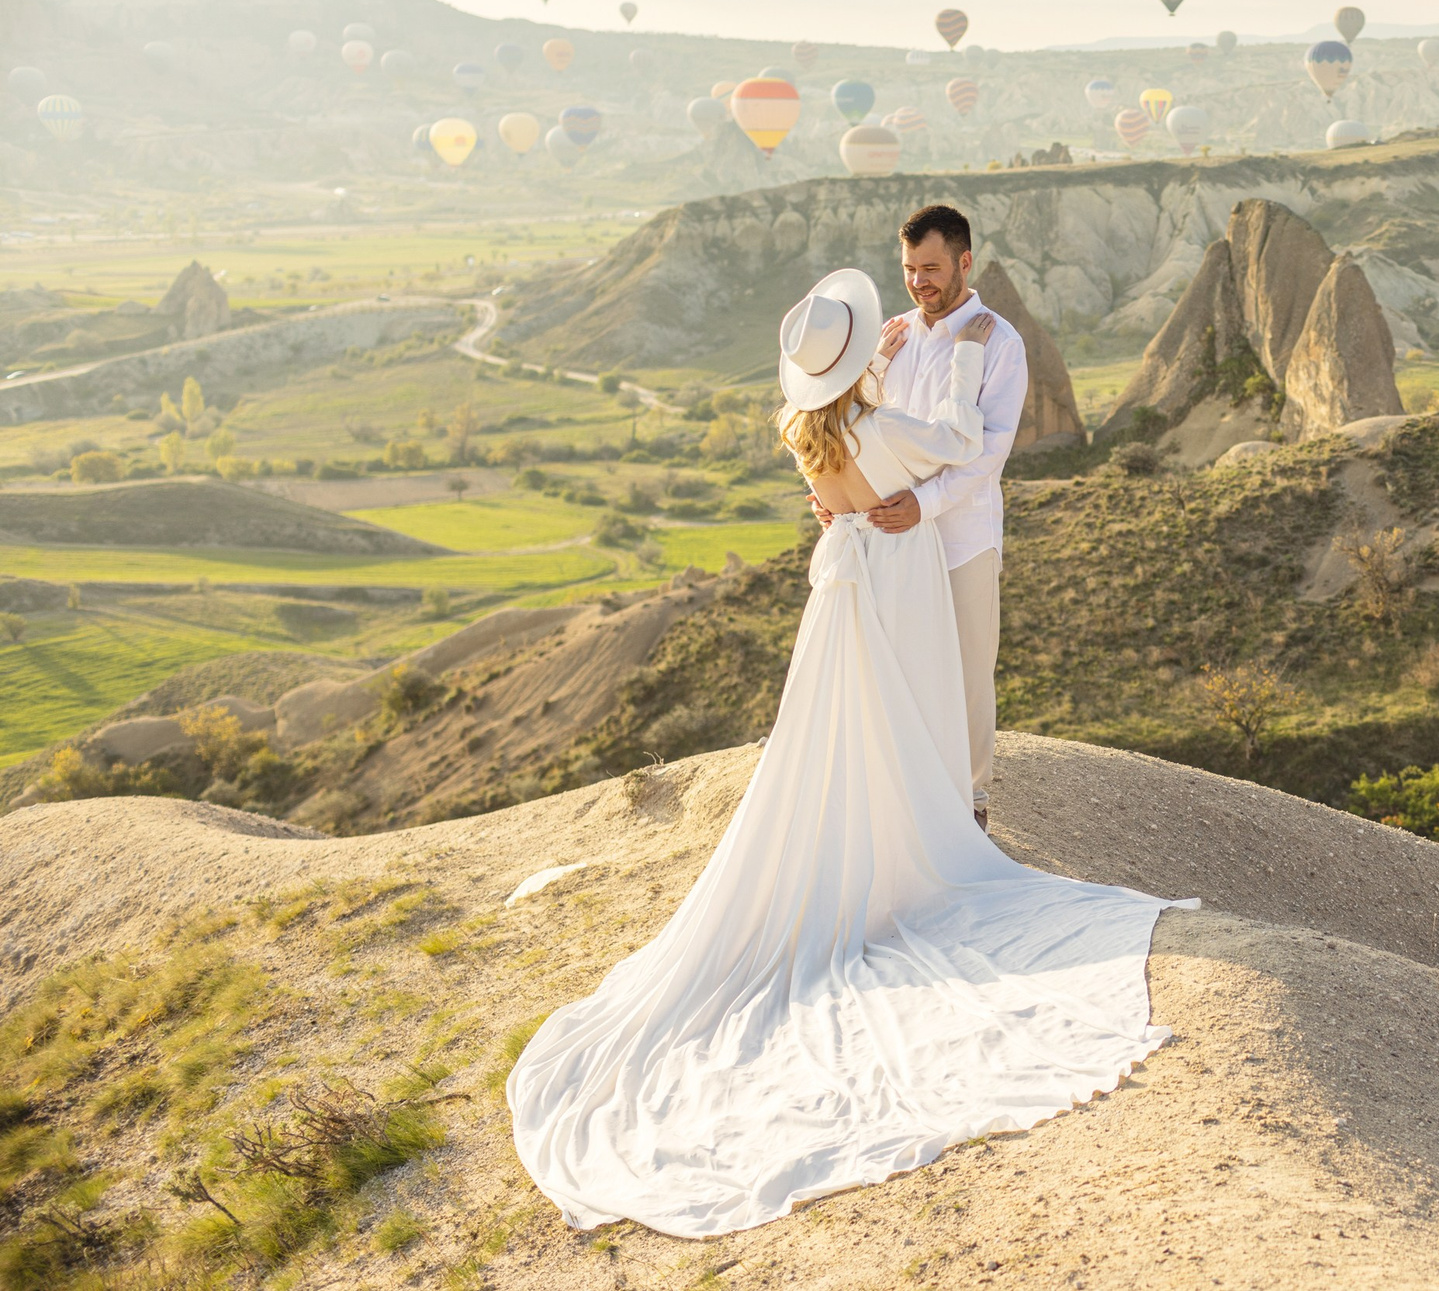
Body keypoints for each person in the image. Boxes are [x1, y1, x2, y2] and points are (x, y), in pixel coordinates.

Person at [507, 267, 1189, 1240]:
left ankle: (858, 845)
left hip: (842, 580)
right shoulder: (885, 428)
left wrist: (872, 368)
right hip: (898, 573)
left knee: (840, 728)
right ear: (856, 363)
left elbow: (849, 465)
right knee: (909, 711)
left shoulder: (811, 436)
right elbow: (957, 442)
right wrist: (953, 366)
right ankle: (913, 847)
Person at [862, 203, 1026, 830]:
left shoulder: (998, 341)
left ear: (964, 261)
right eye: (908, 269)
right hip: (894, 537)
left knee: (966, 672)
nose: (918, 281)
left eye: (930, 267)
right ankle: (911, 799)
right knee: (903, 665)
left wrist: (924, 505)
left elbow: (989, 452)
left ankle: (973, 805)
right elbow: (863, 428)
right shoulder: (894, 336)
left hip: (961, 537)